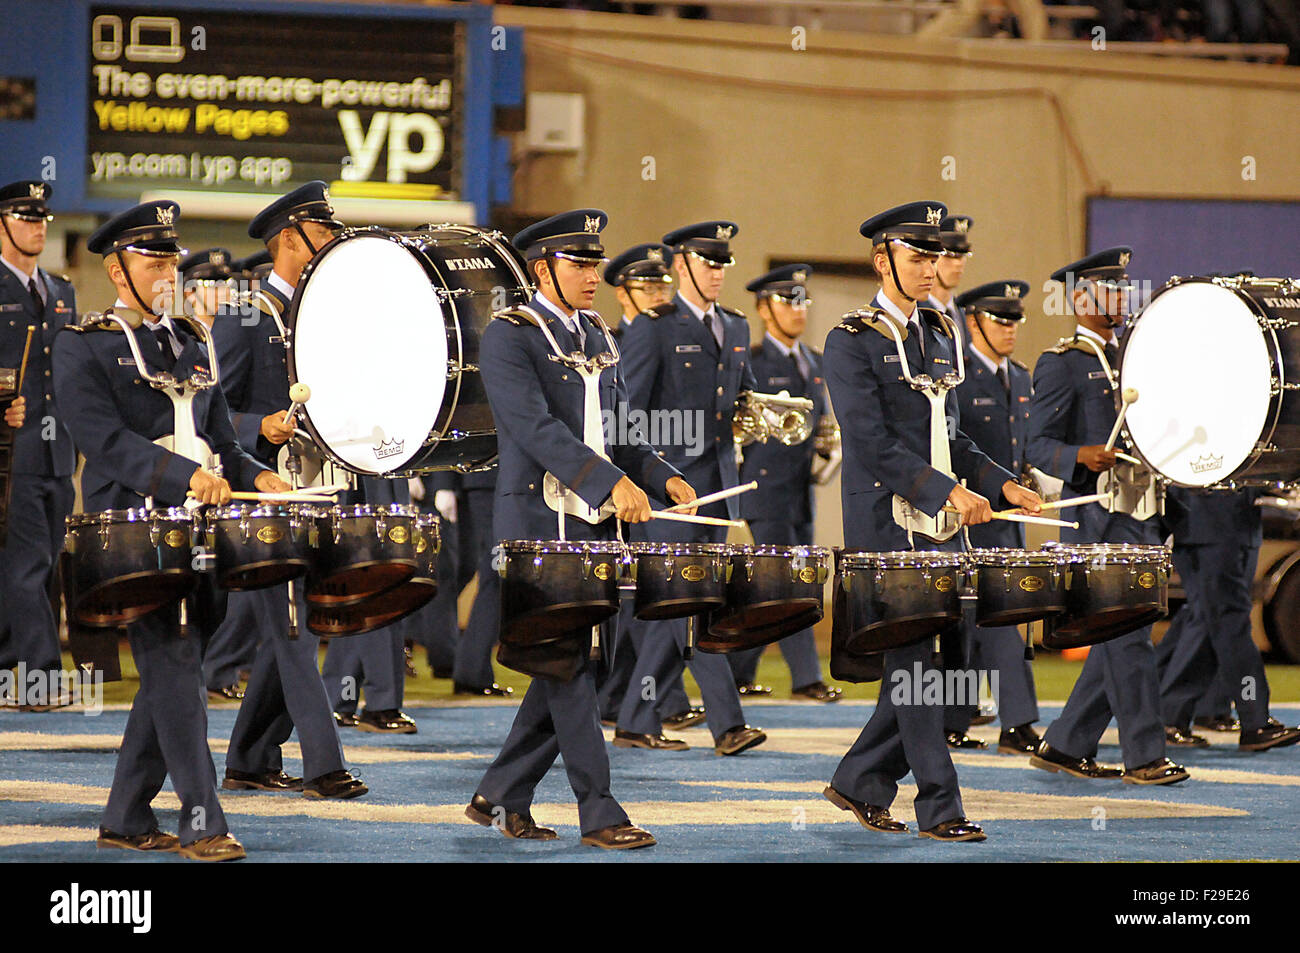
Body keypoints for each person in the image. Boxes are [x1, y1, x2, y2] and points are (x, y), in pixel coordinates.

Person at [54, 200, 292, 860]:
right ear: (116, 268)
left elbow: (220, 440)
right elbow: (103, 441)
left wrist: (257, 472)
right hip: (131, 536)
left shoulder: (192, 340)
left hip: (204, 535)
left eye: (170, 260)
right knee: (177, 666)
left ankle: (127, 814)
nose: (166, 271)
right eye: (152, 259)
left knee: (170, 669)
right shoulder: (84, 344)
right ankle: (201, 818)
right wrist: (180, 476)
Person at [466, 208, 696, 849]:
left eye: (596, 262)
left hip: (596, 527)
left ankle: (502, 792)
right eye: (580, 263)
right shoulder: (511, 334)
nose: (593, 275)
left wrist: (657, 474)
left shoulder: (597, 333)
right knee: (570, 667)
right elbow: (536, 428)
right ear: (542, 268)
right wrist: (609, 483)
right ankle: (599, 809)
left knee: (576, 663)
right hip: (543, 523)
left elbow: (621, 428)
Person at [821, 201, 1043, 842]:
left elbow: (953, 437)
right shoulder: (850, 340)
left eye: (934, 256)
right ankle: (940, 806)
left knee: (940, 667)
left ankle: (860, 779)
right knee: (917, 667)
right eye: (917, 255)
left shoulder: (940, 333)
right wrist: (948, 492)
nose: (930, 267)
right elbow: (871, 443)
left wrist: (1002, 481)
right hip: (888, 529)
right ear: (881, 259)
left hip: (941, 526)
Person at [209, 181, 368, 798]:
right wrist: (260, 427)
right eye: (319, 234)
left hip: (327, 489)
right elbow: (213, 407)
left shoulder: (329, 314)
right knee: (294, 624)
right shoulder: (247, 312)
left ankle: (249, 754)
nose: (329, 243)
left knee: (302, 625)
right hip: (268, 493)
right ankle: (325, 764)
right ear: (286, 241)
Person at [1026, 246, 1189, 785]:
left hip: (1140, 510)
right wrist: (1080, 456)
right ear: (1079, 297)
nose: (1121, 297)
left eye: (1123, 288)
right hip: (1097, 515)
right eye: (1109, 288)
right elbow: (1036, 443)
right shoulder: (1061, 363)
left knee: (1121, 632)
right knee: (1130, 633)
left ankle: (1066, 744)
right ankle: (1144, 755)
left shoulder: (1132, 356)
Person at [613, 221, 766, 754]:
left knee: (698, 605)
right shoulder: (653, 326)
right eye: (707, 262)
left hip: (719, 488)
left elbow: (739, 398)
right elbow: (625, 418)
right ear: (681, 267)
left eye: (723, 262)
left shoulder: (737, 326)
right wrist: (650, 479)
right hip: (669, 491)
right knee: (681, 604)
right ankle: (713, 723)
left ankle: (681, 722)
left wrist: (761, 414)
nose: (717, 272)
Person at [594, 242, 698, 727]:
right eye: (647, 286)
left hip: (664, 480)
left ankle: (632, 703)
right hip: (631, 487)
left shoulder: (675, 331)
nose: (659, 294)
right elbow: (623, 423)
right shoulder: (629, 338)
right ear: (624, 294)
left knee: (654, 600)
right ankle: (644, 710)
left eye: (663, 284)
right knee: (663, 599)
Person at [729, 264, 841, 702]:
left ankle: (741, 672)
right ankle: (806, 678)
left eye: (802, 301)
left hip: (799, 494)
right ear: (763, 308)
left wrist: (829, 451)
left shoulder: (814, 361)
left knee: (777, 584)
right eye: (787, 302)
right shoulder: (752, 362)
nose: (798, 311)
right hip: (762, 492)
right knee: (790, 583)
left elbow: (823, 425)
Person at [948, 280, 1042, 753]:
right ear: (973, 321)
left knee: (1007, 619)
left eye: (1014, 321)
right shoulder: (955, 378)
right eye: (999, 320)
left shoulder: (1022, 378)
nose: (1009, 330)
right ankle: (959, 716)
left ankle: (1015, 722)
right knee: (966, 621)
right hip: (971, 519)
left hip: (1010, 521)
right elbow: (952, 448)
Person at [0, 180, 76, 710]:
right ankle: (38, 676)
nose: (37, 226)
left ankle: (10, 671)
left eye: (42, 217)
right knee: (25, 565)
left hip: (58, 449)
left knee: (43, 567)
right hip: (12, 450)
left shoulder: (61, 289)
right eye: (24, 217)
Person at [1159, 486, 1300, 751]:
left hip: (1237, 520)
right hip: (1209, 521)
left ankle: (1179, 712)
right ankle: (1254, 717)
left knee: (1206, 619)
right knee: (1228, 621)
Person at [927, 214, 972, 327]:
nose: (958, 263)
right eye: (949, 256)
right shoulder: (916, 312)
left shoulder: (966, 316)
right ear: (931, 257)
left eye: (961, 256)